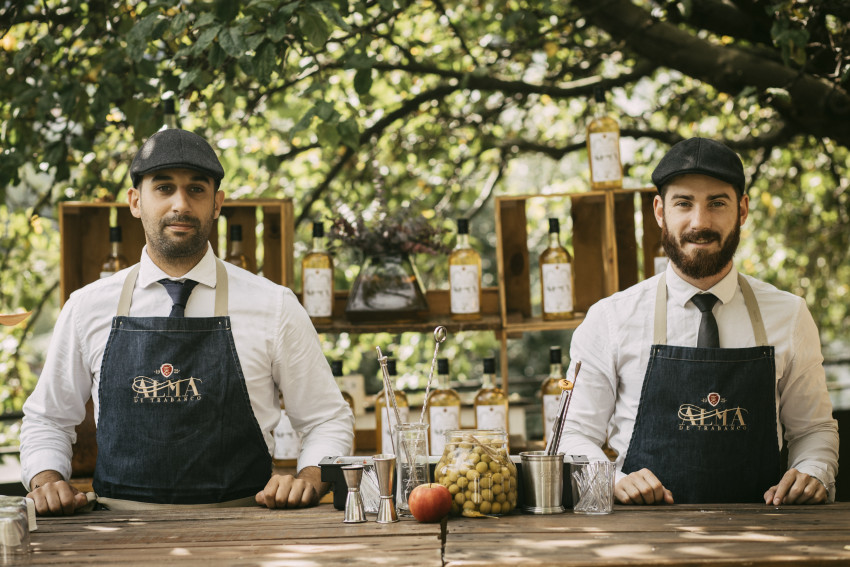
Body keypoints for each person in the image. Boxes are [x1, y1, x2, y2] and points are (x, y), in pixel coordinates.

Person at [20, 128, 354, 515]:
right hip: (118, 535)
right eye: (164, 188)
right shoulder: (87, 307)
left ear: (217, 204)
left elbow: (326, 418)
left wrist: (310, 478)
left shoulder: (274, 305)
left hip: (248, 531)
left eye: (196, 189)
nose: (181, 204)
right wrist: (46, 481)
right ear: (135, 201)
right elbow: (47, 418)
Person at [559, 137, 839, 505]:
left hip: (768, 532)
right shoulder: (611, 318)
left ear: (742, 210)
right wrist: (611, 478)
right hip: (642, 537)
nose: (700, 222)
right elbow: (574, 434)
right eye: (683, 203)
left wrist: (812, 472)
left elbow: (813, 430)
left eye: (717, 203)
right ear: (660, 211)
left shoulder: (789, 314)